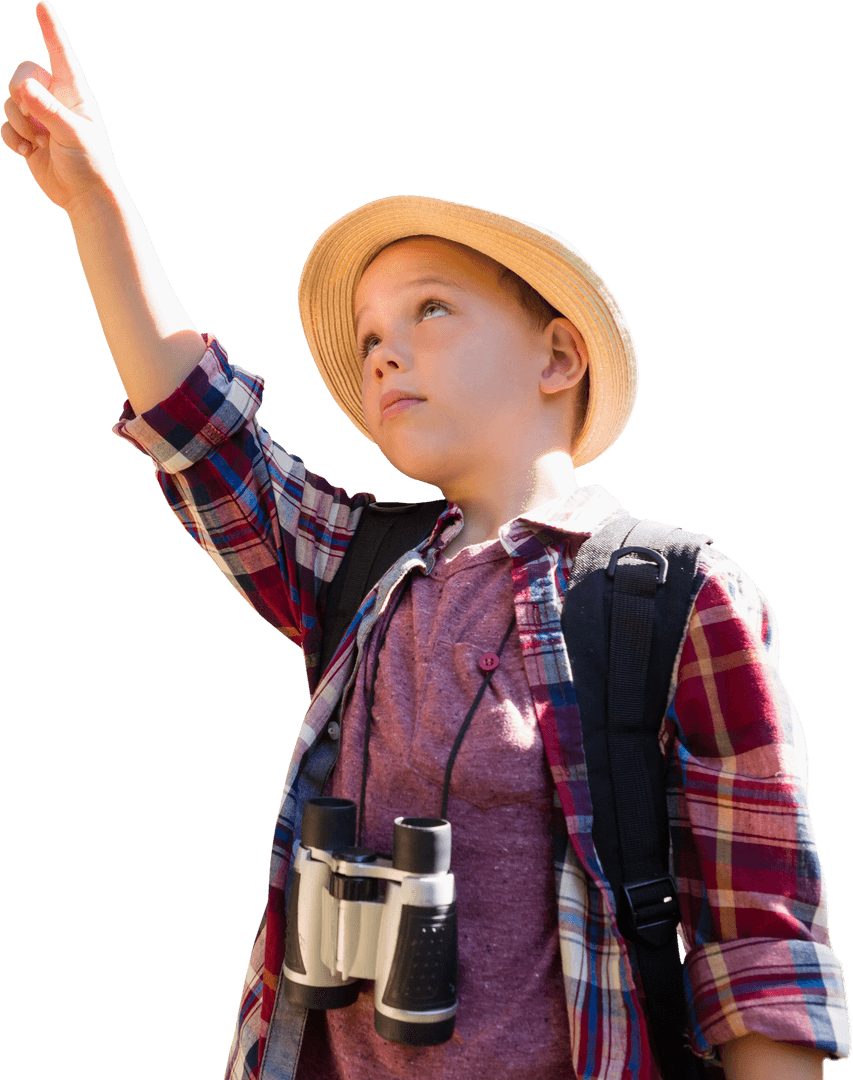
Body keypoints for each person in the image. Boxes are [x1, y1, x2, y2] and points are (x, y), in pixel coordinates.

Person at [4, 5, 850, 1079]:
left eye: (431, 312)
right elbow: (203, 435)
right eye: (368, 339)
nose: (384, 354)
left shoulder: (681, 599)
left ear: (557, 357)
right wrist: (96, 200)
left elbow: (760, 946)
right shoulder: (355, 571)